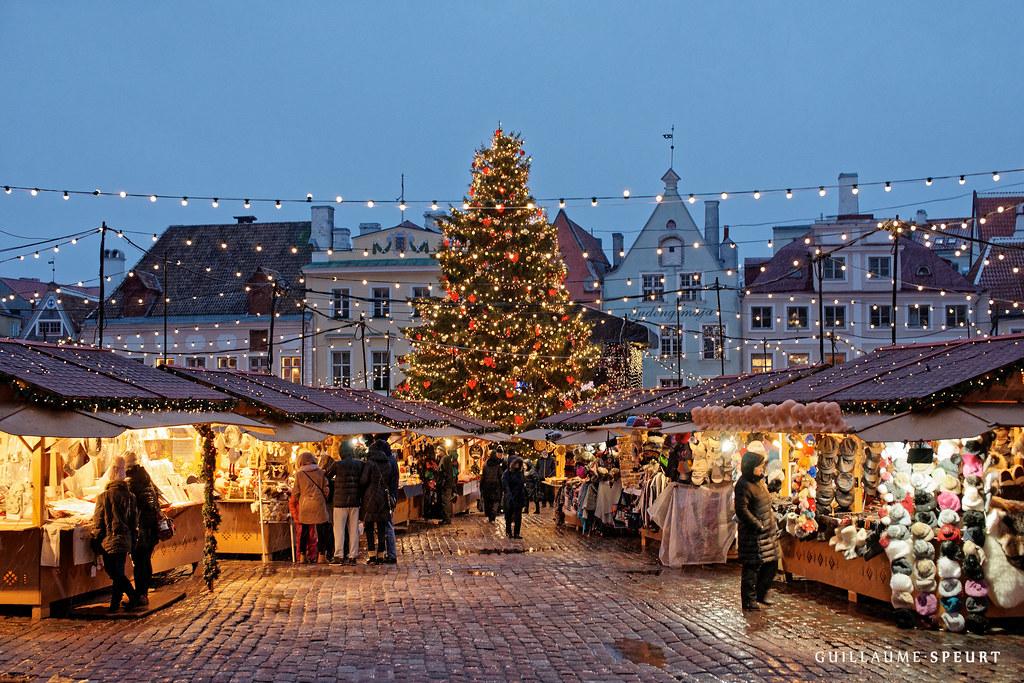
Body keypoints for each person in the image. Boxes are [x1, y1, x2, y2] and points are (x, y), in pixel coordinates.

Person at [92, 455, 141, 612]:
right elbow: (134, 521)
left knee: (114, 572)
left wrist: (95, 539)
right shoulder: (130, 497)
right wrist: (133, 539)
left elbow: (98, 521)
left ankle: (125, 600)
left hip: (109, 539)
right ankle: (122, 600)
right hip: (125, 539)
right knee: (117, 571)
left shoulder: (104, 497)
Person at [735, 443, 779, 611]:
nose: (762, 469)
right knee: (751, 568)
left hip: (767, 532)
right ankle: (749, 600)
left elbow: (765, 502)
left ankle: (761, 593)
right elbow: (741, 509)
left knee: (771, 564)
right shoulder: (743, 484)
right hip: (753, 534)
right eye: (759, 466)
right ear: (751, 467)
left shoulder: (759, 482)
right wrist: (757, 525)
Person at [125, 451, 161, 604]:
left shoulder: (131, 483)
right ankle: (143, 593)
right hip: (151, 528)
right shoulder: (147, 480)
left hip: (140, 530)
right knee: (145, 561)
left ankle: (140, 595)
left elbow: (129, 508)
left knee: (139, 563)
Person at [361, 436, 398, 564]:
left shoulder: (370, 463)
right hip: (383, 497)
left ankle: (372, 556)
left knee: (369, 527)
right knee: (382, 527)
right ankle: (381, 555)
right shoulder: (388, 463)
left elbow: (363, 480)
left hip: (370, 497)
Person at [328, 439, 364, 565]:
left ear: (341, 452)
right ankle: (353, 556)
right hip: (355, 501)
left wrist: (335, 483)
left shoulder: (337, 465)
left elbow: (327, 476)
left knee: (339, 530)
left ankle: (339, 555)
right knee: (353, 530)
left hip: (340, 501)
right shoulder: (359, 464)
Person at [291, 451, 331, 564]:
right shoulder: (321, 472)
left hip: (305, 505)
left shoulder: (299, 474)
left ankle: (303, 556)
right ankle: (321, 556)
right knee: (321, 531)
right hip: (319, 504)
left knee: (304, 531)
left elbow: (295, 492)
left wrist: (300, 498)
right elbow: (326, 489)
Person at [502, 456, 527, 539]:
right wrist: (509, 494)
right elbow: (505, 484)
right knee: (508, 516)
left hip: (519, 497)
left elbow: (522, 484)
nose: (517, 465)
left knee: (518, 517)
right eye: (516, 463)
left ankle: (517, 533)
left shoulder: (520, 472)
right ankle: (508, 532)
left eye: (519, 463)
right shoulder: (507, 473)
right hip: (510, 497)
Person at [480, 449, 505, 522]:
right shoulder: (497, 465)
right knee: (496, 500)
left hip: (487, 485)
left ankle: (490, 515)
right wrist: (502, 486)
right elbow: (500, 476)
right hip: (496, 485)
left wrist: (481, 486)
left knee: (488, 501)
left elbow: (483, 476)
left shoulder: (485, 464)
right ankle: (493, 512)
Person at [437, 446, 460, 525]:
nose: (437, 452)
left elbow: (445, 472)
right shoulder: (444, 458)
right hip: (446, 484)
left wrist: (443, 482)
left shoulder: (445, 458)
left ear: (442, 451)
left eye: (438, 450)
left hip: (446, 485)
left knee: (445, 502)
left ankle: (446, 519)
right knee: (445, 501)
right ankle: (445, 518)